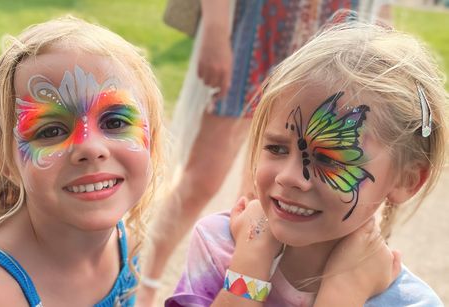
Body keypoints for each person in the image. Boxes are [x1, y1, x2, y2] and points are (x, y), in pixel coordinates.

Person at [165, 20, 447, 306]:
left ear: (407, 181)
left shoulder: (410, 303)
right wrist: (250, 268)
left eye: (328, 158)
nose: (289, 177)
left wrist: (343, 292)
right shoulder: (220, 246)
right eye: (276, 148)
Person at [140, 0, 393, 302]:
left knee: (270, 189)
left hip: (332, 31)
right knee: (204, 177)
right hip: (257, 28)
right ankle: (146, 281)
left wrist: (383, 42)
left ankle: (258, 268)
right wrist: (216, 30)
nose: (293, 176)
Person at [0, 16, 165, 306]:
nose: (90, 147)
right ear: (4, 161)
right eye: (51, 130)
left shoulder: (122, 237)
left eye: (115, 121)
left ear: (152, 135)